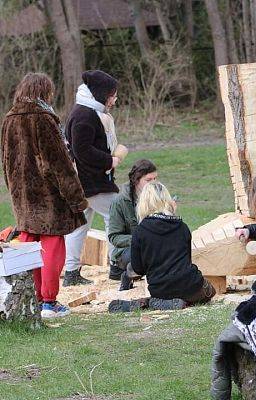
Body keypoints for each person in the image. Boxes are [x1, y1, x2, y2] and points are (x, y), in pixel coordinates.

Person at [1, 73, 87, 318]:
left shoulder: (9, 118)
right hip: (48, 195)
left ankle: (32, 299)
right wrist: (75, 198)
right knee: (51, 246)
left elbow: (6, 161)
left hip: (22, 194)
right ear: (43, 92)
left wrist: (14, 189)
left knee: (28, 245)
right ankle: (48, 301)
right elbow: (57, 164)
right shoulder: (43, 118)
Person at [111, 181, 215, 312]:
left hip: (160, 289)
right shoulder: (182, 227)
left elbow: (138, 268)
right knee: (210, 291)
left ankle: (150, 303)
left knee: (162, 296)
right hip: (190, 285)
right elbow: (187, 260)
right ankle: (181, 302)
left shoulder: (140, 231)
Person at [63, 70, 122, 286]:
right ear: (101, 94)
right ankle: (117, 266)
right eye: (112, 95)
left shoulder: (87, 112)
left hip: (86, 181)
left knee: (80, 225)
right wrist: (109, 161)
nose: (114, 99)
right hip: (91, 182)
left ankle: (71, 273)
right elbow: (82, 151)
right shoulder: (84, 116)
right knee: (116, 217)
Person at [108, 160, 158, 290]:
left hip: (153, 245)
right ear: (136, 181)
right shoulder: (120, 201)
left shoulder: (158, 198)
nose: (153, 183)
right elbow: (114, 236)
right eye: (148, 180)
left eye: (155, 179)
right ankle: (127, 274)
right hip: (127, 250)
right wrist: (139, 240)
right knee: (143, 253)